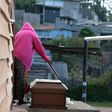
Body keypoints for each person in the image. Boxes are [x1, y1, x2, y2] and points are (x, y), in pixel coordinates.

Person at [13, 22, 51, 104]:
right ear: (31, 28)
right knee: (21, 79)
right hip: (23, 58)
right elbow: (39, 48)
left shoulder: (18, 34)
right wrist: (46, 58)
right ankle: (20, 99)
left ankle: (14, 97)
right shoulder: (32, 34)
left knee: (15, 77)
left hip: (14, 57)